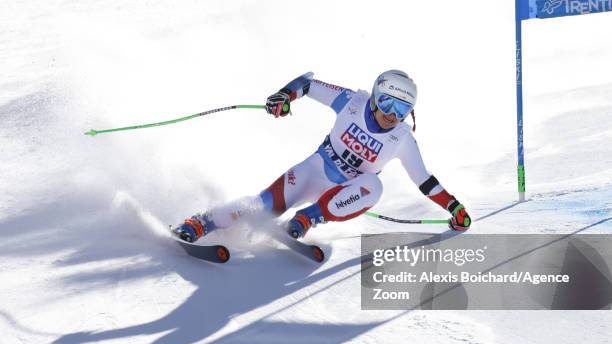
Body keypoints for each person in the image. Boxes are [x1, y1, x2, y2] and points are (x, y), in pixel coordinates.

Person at [175, 70, 471, 243]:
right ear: (375, 95)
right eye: (388, 104)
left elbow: (425, 181)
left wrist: (454, 207)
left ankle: (307, 218)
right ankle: (202, 223)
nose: (393, 115)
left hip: (343, 193)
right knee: (261, 206)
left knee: (374, 186)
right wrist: (284, 96)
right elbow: (308, 83)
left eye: (403, 110)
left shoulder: (401, 138)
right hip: (312, 171)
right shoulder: (352, 102)